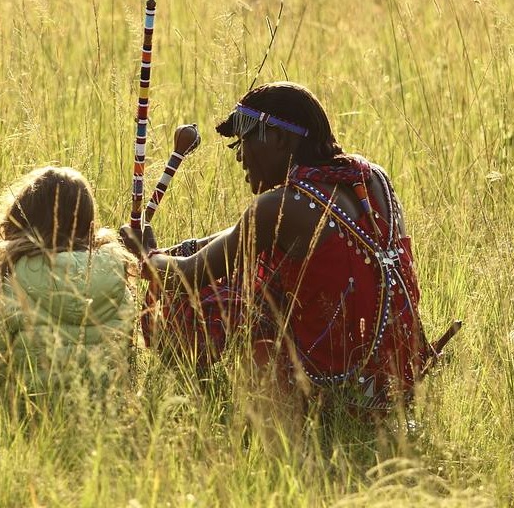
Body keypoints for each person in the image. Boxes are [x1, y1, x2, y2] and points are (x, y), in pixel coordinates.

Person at [125, 81, 431, 414]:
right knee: (257, 278)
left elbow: (186, 276)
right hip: (400, 381)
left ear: (282, 139)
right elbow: (235, 238)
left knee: (181, 302)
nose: (240, 155)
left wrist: (147, 255)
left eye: (245, 141)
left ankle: (199, 403)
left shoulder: (279, 208)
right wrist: (179, 249)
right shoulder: (370, 179)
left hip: (339, 393)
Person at [0, 165, 137, 410]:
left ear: (21, 219)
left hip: (25, 417)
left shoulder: (8, 281)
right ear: (88, 223)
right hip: (102, 419)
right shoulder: (116, 280)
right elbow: (127, 364)